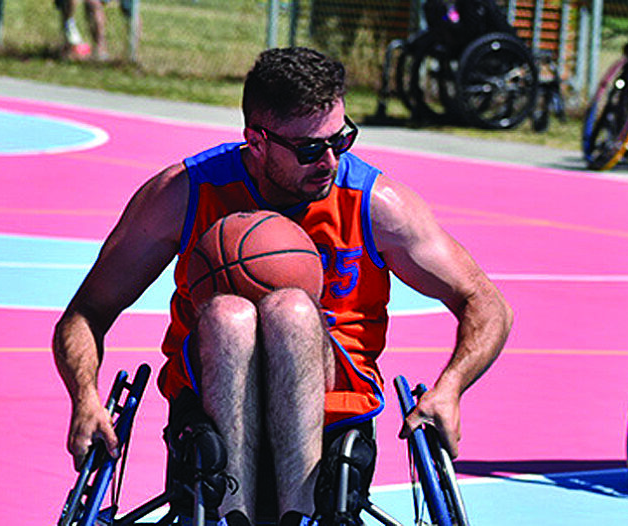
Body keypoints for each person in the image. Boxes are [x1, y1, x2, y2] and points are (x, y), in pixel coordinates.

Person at [52, 47, 512, 525]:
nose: (331, 160)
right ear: (256, 141)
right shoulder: (184, 194)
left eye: (343, 139)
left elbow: (485, 301)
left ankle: (301, 517)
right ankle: (230, 515)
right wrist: (84, 397)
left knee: (291, 311)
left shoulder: (376, 204)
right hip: (210, 403)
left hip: (334, 408)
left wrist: (450, 388)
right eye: (311, 149)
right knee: (229, 317)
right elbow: (85, 313)